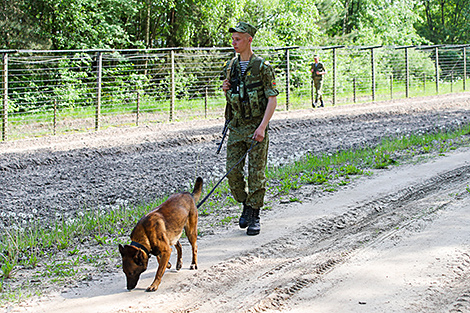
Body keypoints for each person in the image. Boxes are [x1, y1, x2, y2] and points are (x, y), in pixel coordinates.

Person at [221, 22, 278, 236]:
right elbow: (233, 96)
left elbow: (272, 100)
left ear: (249, 40)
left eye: (238, 39)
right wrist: (225, 88)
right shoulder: (231, 67)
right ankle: (246, 203)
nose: (234, 43)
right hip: (236, 128)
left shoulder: (263, 67)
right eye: (233, 39)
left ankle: (254, 214)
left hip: (256, 128)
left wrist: (263, 127)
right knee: (232, 173)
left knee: (256, 174)